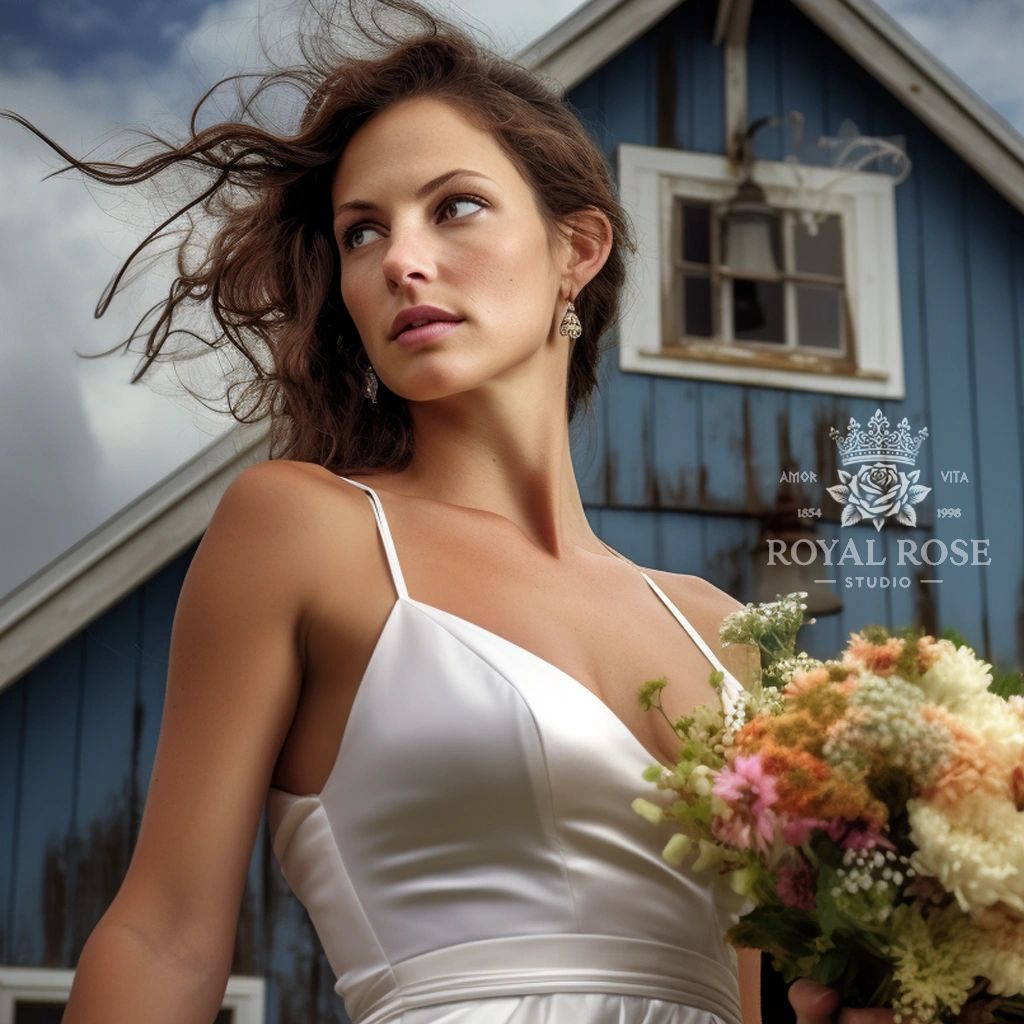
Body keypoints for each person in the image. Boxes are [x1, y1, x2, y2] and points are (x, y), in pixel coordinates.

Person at [6, 2, 895, 1021]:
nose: (399, 260)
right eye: (363, 232)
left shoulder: (721, 632)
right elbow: (163, 934)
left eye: (454, 207)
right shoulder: (305, 531)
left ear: (578, 248)